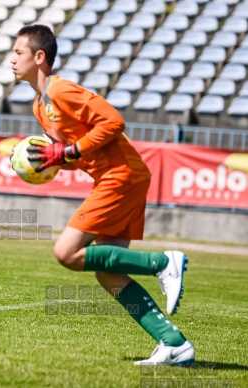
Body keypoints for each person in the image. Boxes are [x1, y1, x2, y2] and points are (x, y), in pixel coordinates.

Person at [10, 25, 194, 365]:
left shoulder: (61, 89)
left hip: (120, 175)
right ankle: (173, 343)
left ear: (39, 57)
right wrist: (49, 163)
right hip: (118, 178)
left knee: (66, 251)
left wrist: (64, 153)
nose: (12, 60)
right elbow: (75, 153)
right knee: (106, 272)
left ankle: (163, 262)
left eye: (18, 53)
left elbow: (113, 122)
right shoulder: (40, 106)